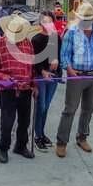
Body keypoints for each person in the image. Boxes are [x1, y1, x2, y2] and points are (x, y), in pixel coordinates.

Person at [55, 3, 93, 157]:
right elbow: (64, 55)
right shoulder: (71, 33)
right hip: (76, 75)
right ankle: (61, 142)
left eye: (89, 18)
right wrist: (69, 69)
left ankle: (82, 137)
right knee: (70, 109)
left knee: (88, 109)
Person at [0, 14, 37, 163]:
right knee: (7, 122)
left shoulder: (27, 44)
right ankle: (3, 148)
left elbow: (32, 67)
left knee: (24, 121)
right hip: (8, 91)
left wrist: (34, 85)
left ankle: (21, 146)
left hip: (26, 89)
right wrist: (4, 78)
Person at [31, 11, 62, 151]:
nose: (47, 24)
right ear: (40, 23)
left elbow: (59, 56)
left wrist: (57, 62)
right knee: (41, 106)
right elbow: (34, 60)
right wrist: (42, 71)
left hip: (53, 76)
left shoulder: (56, 38)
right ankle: (37, 136)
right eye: (44, 21)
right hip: (40, 77)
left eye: (50, 21)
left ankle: (42, 133)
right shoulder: (36, 39)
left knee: (46, 107)